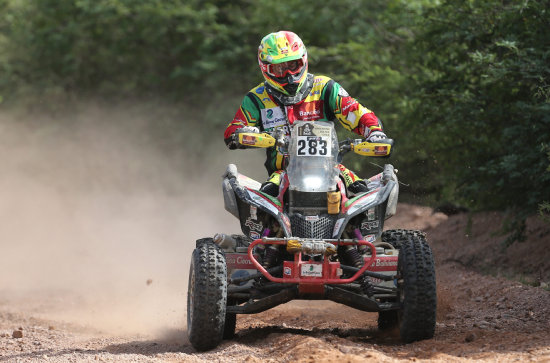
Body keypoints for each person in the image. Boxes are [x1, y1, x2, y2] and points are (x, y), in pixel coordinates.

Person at [224, 30, 387, 196]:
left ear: (303, 61)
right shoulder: (256, 98)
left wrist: (374, 131)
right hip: (283, 172)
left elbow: (356, 112)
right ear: (266, 69)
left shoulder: (325, 87)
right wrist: (243, 133)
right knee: (264, 197)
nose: (288, 74)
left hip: (330, 168)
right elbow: (233, 130)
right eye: (280, 68)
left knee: (362, 191)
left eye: (292, 65)